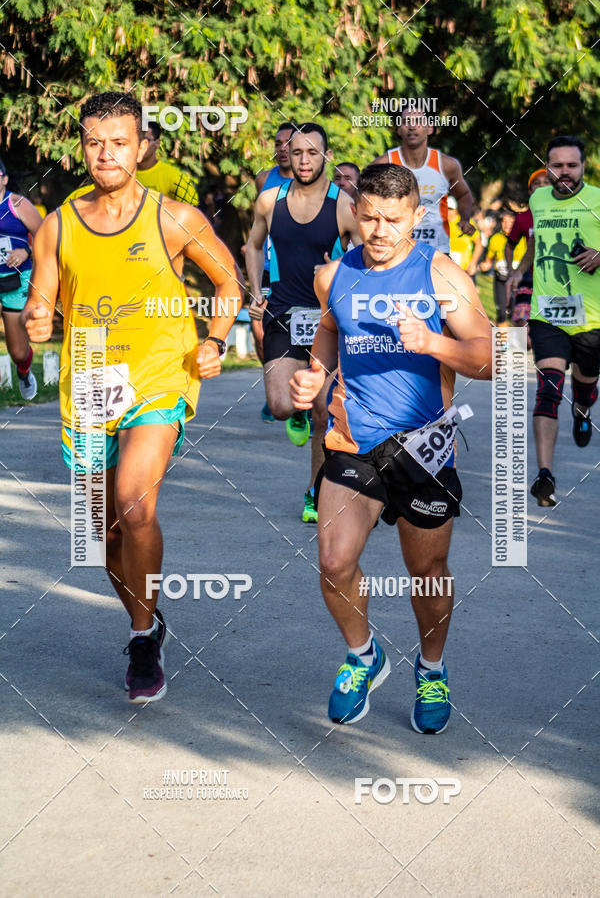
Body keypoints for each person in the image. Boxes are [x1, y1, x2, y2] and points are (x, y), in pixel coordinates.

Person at [22, 92, 242, 703]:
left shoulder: (174, 217)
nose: (106, 154)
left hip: (159, 376)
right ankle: (147, 619)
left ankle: (142, 639)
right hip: (90, 381)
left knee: (134, 504)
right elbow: (43, 298)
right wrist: (37, 318)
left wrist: (216, 339)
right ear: (82, 148)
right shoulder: (59, 223)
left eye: (119, 142)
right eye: (95, 142)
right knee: (102, 536)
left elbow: (228, 281)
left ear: (141, 146)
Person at [290, 164, 492, 731]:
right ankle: (363, 656)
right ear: (355, 213)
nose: (380, 231)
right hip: (354, 440)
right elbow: (329, 331)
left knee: (427, 571)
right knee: (334, 561)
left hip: (425, 447)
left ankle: (432, 669)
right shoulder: (334, 276)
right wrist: (315, 375)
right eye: (370, 218)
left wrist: (433, 344)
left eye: (393, 220)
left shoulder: (440, 274)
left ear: (417, 216)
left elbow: (489, 358)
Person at [246, 122, 360, 523]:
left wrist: (340, 271)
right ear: (287, 156)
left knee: (323, 413)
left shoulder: (344, 205)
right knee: (280, 406)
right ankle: (297, 408)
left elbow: (368, 258)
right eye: (297, 153)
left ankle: (315, 492)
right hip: (282, 313)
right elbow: (253, 246)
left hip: (328, 321)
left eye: (312, 152)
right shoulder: (269, 201)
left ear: (326, 156)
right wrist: (256, 291)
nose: (304, 160)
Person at [513, 136, 600, 507]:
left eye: (571, 165)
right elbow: (536, 244)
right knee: (548, 389)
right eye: (557, 165)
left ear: (583, 167)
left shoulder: (597, 199)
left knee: (585, 381)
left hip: (592, 318)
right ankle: (544, 474)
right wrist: (519, 272)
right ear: (547, 167)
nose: (564, 172)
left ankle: (583, 408)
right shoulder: (538, 200)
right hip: (547, 313)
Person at [371, 107, 476, 254]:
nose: (412, 127)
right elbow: (364, 199)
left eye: (418, 121)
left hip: (436, 251)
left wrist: (465, 219)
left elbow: (464, 194)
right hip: (395, 251)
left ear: (430, 128)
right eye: (406, 121)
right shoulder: (383, 164)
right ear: (399, 129)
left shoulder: (446, 165)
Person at [252, 122, 295, 423]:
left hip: (297, 270)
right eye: (278, 143)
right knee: (260, 331)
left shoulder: (314, 181)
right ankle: (274, 386)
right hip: (268, 268)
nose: (282, 149)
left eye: (288, 143)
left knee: (304, 333)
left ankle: (301, 393)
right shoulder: (264, 179)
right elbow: (258, 227)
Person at [64, 121, 200, 205]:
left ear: (157, 143)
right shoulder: (110, 174)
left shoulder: (175, 178)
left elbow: (193, 214)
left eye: (146, 140)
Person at [0, 159, 43, 399]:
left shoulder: (16, 203)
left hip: (15, 280)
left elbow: (45, 236)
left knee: (17, 352)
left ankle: (24, 371)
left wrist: (26, 251)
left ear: (4, 179)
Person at [505, 168, 549, 328]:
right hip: (528, 275)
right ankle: (518, 344)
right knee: (520, 322)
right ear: (530, 191)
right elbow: (509, 246)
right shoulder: (523, 218)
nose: (541, 185)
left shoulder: (563, 213)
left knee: (546, 326)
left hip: (553, 278)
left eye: (546, 182)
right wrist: (512, 271)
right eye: (537, 183)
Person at [480, 210, 525, 325]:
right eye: (504, 221)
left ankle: (518, 337)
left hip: (518, 283)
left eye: (511, 221)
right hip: (501, 280)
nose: (507, 224)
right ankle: (501, 337)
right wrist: (484, 265)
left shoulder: (524, 239)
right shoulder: (495, 238)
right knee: (501, 314)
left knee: (518, 316)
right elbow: (488, 260)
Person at [447, 196, 484, 278]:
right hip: (444, 266)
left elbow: (478, 244)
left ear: (456, 210)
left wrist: (473, 263)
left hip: (463, 269)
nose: (448, 211)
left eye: (450, 209)